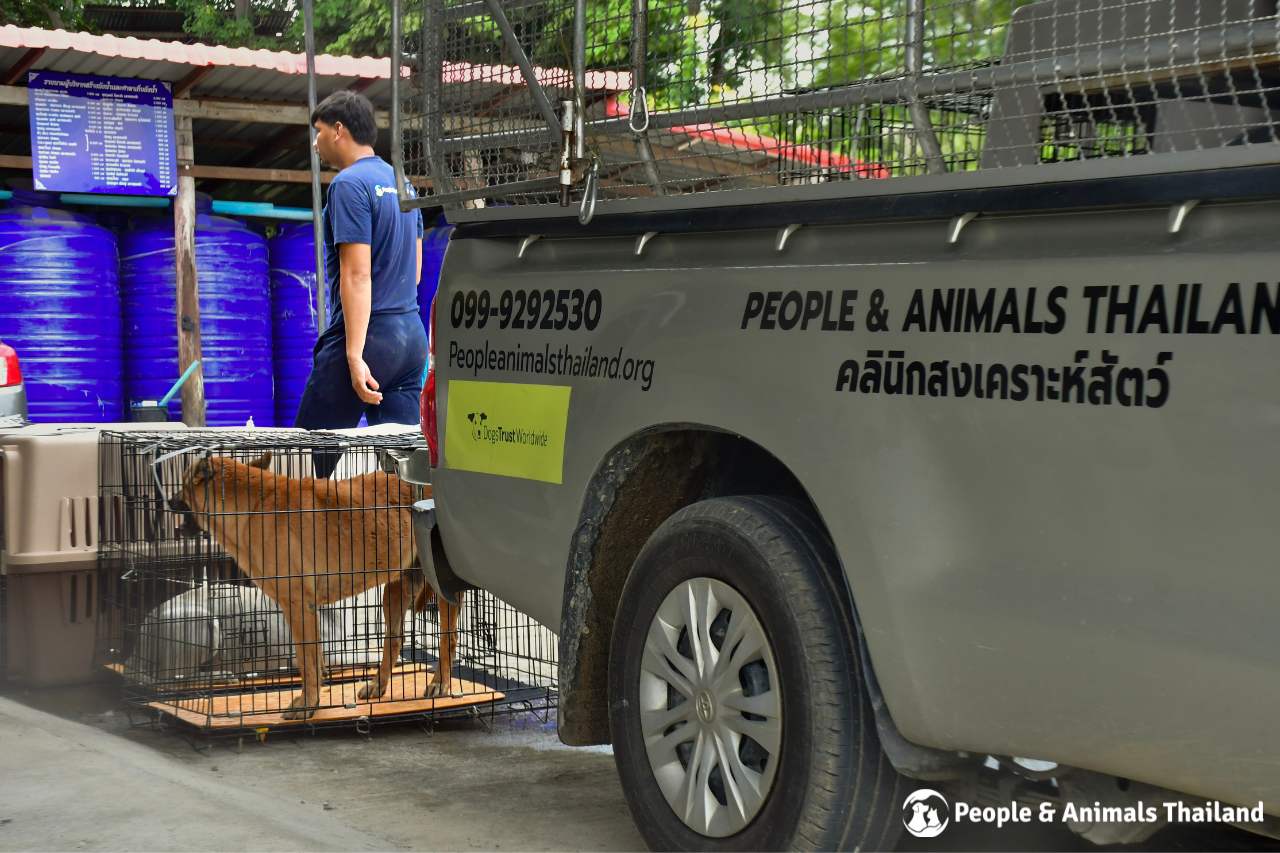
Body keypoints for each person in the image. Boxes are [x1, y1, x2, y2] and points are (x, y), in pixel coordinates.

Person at [294, 90, 426, 440]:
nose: (315, 143)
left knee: (305, 461)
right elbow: (414, 273)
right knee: (399, 471)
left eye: (318, 132)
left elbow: (357, 274)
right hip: (410, 339)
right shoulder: (405, 186)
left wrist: (354, 355)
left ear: (338, 130)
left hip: (369, 339)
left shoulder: (349, 185)